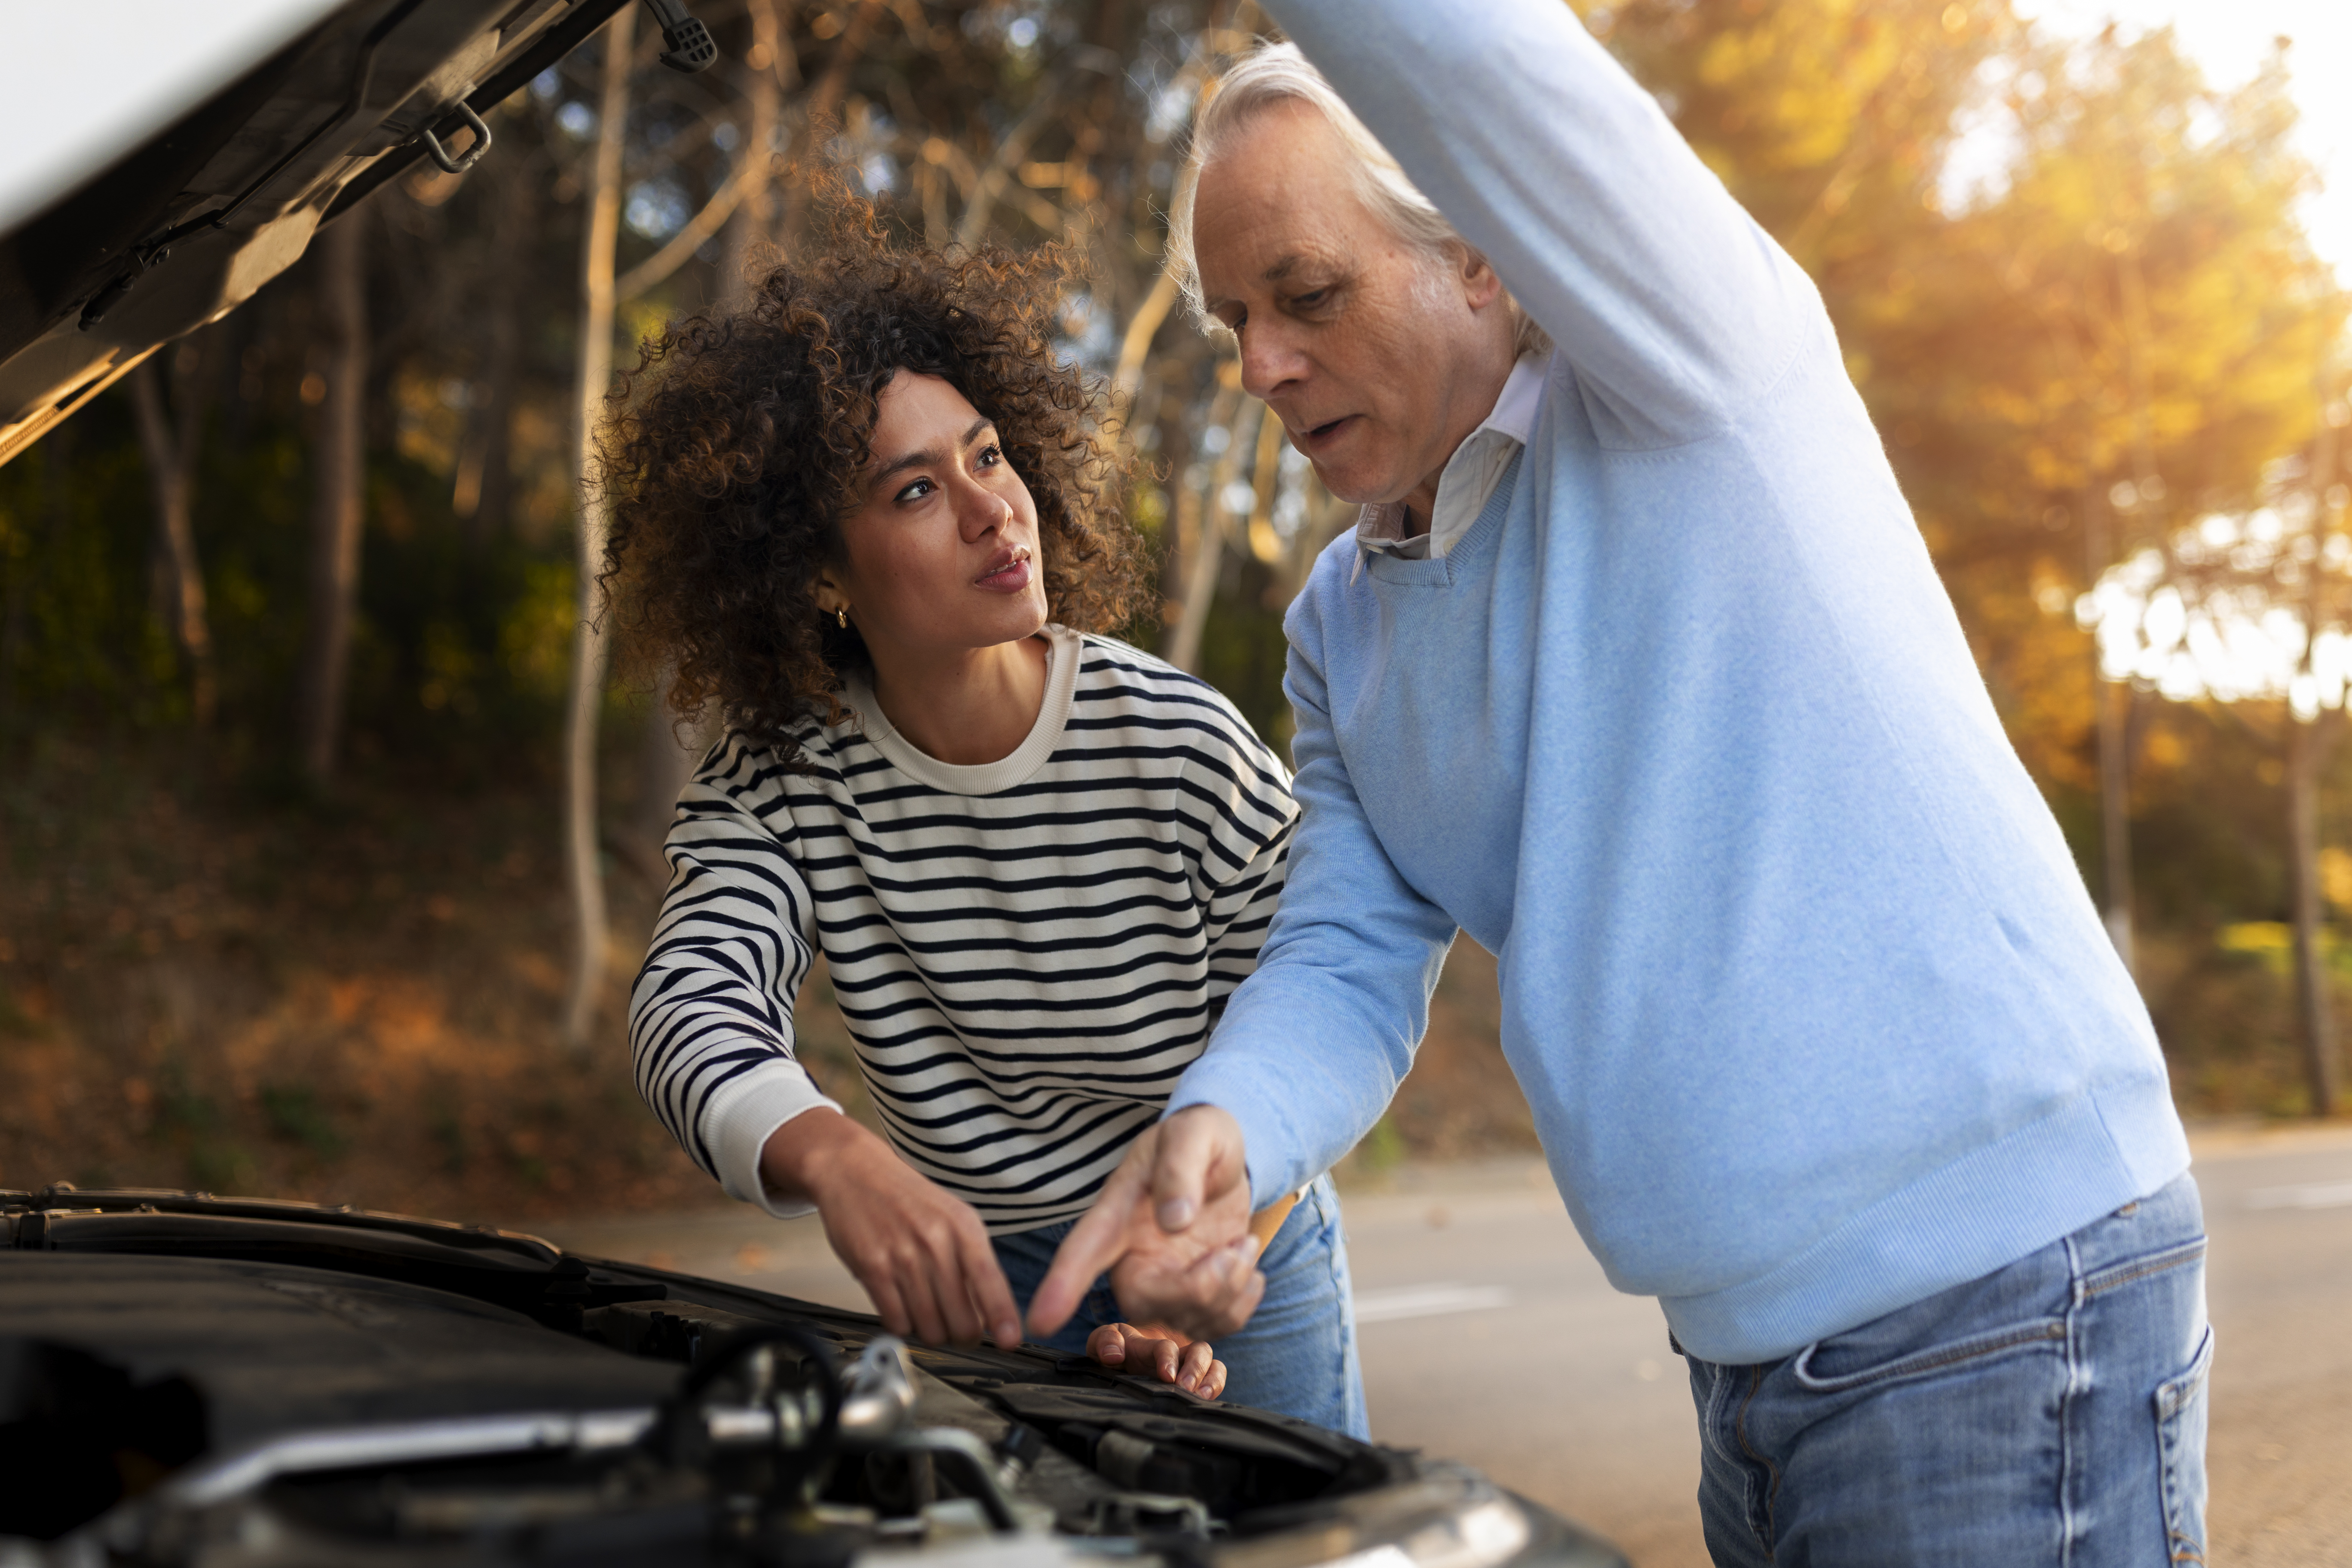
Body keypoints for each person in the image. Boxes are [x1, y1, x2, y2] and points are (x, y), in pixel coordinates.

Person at [1032, 5, 2208, 1563]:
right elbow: (1344, 949)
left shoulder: (1693, 371)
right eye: (1234, 318)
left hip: (1998, 1303)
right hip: (1743, 1360)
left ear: (1485, 251)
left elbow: (1488, 68)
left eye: (1305, 293)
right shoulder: (1339, 622)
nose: (1258, 363)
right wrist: (1225, 1130)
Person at [601, 219, 1367, 1437]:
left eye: (988, 454)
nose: (991, 511)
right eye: (914, 489)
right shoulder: (783, 780)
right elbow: (687, 1005)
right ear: (816, 574)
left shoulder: (1178, 747)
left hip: (1230, 1249)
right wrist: (838, 1157)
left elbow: (1305, 1027)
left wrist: (1194, 1262)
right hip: (982, 1293)